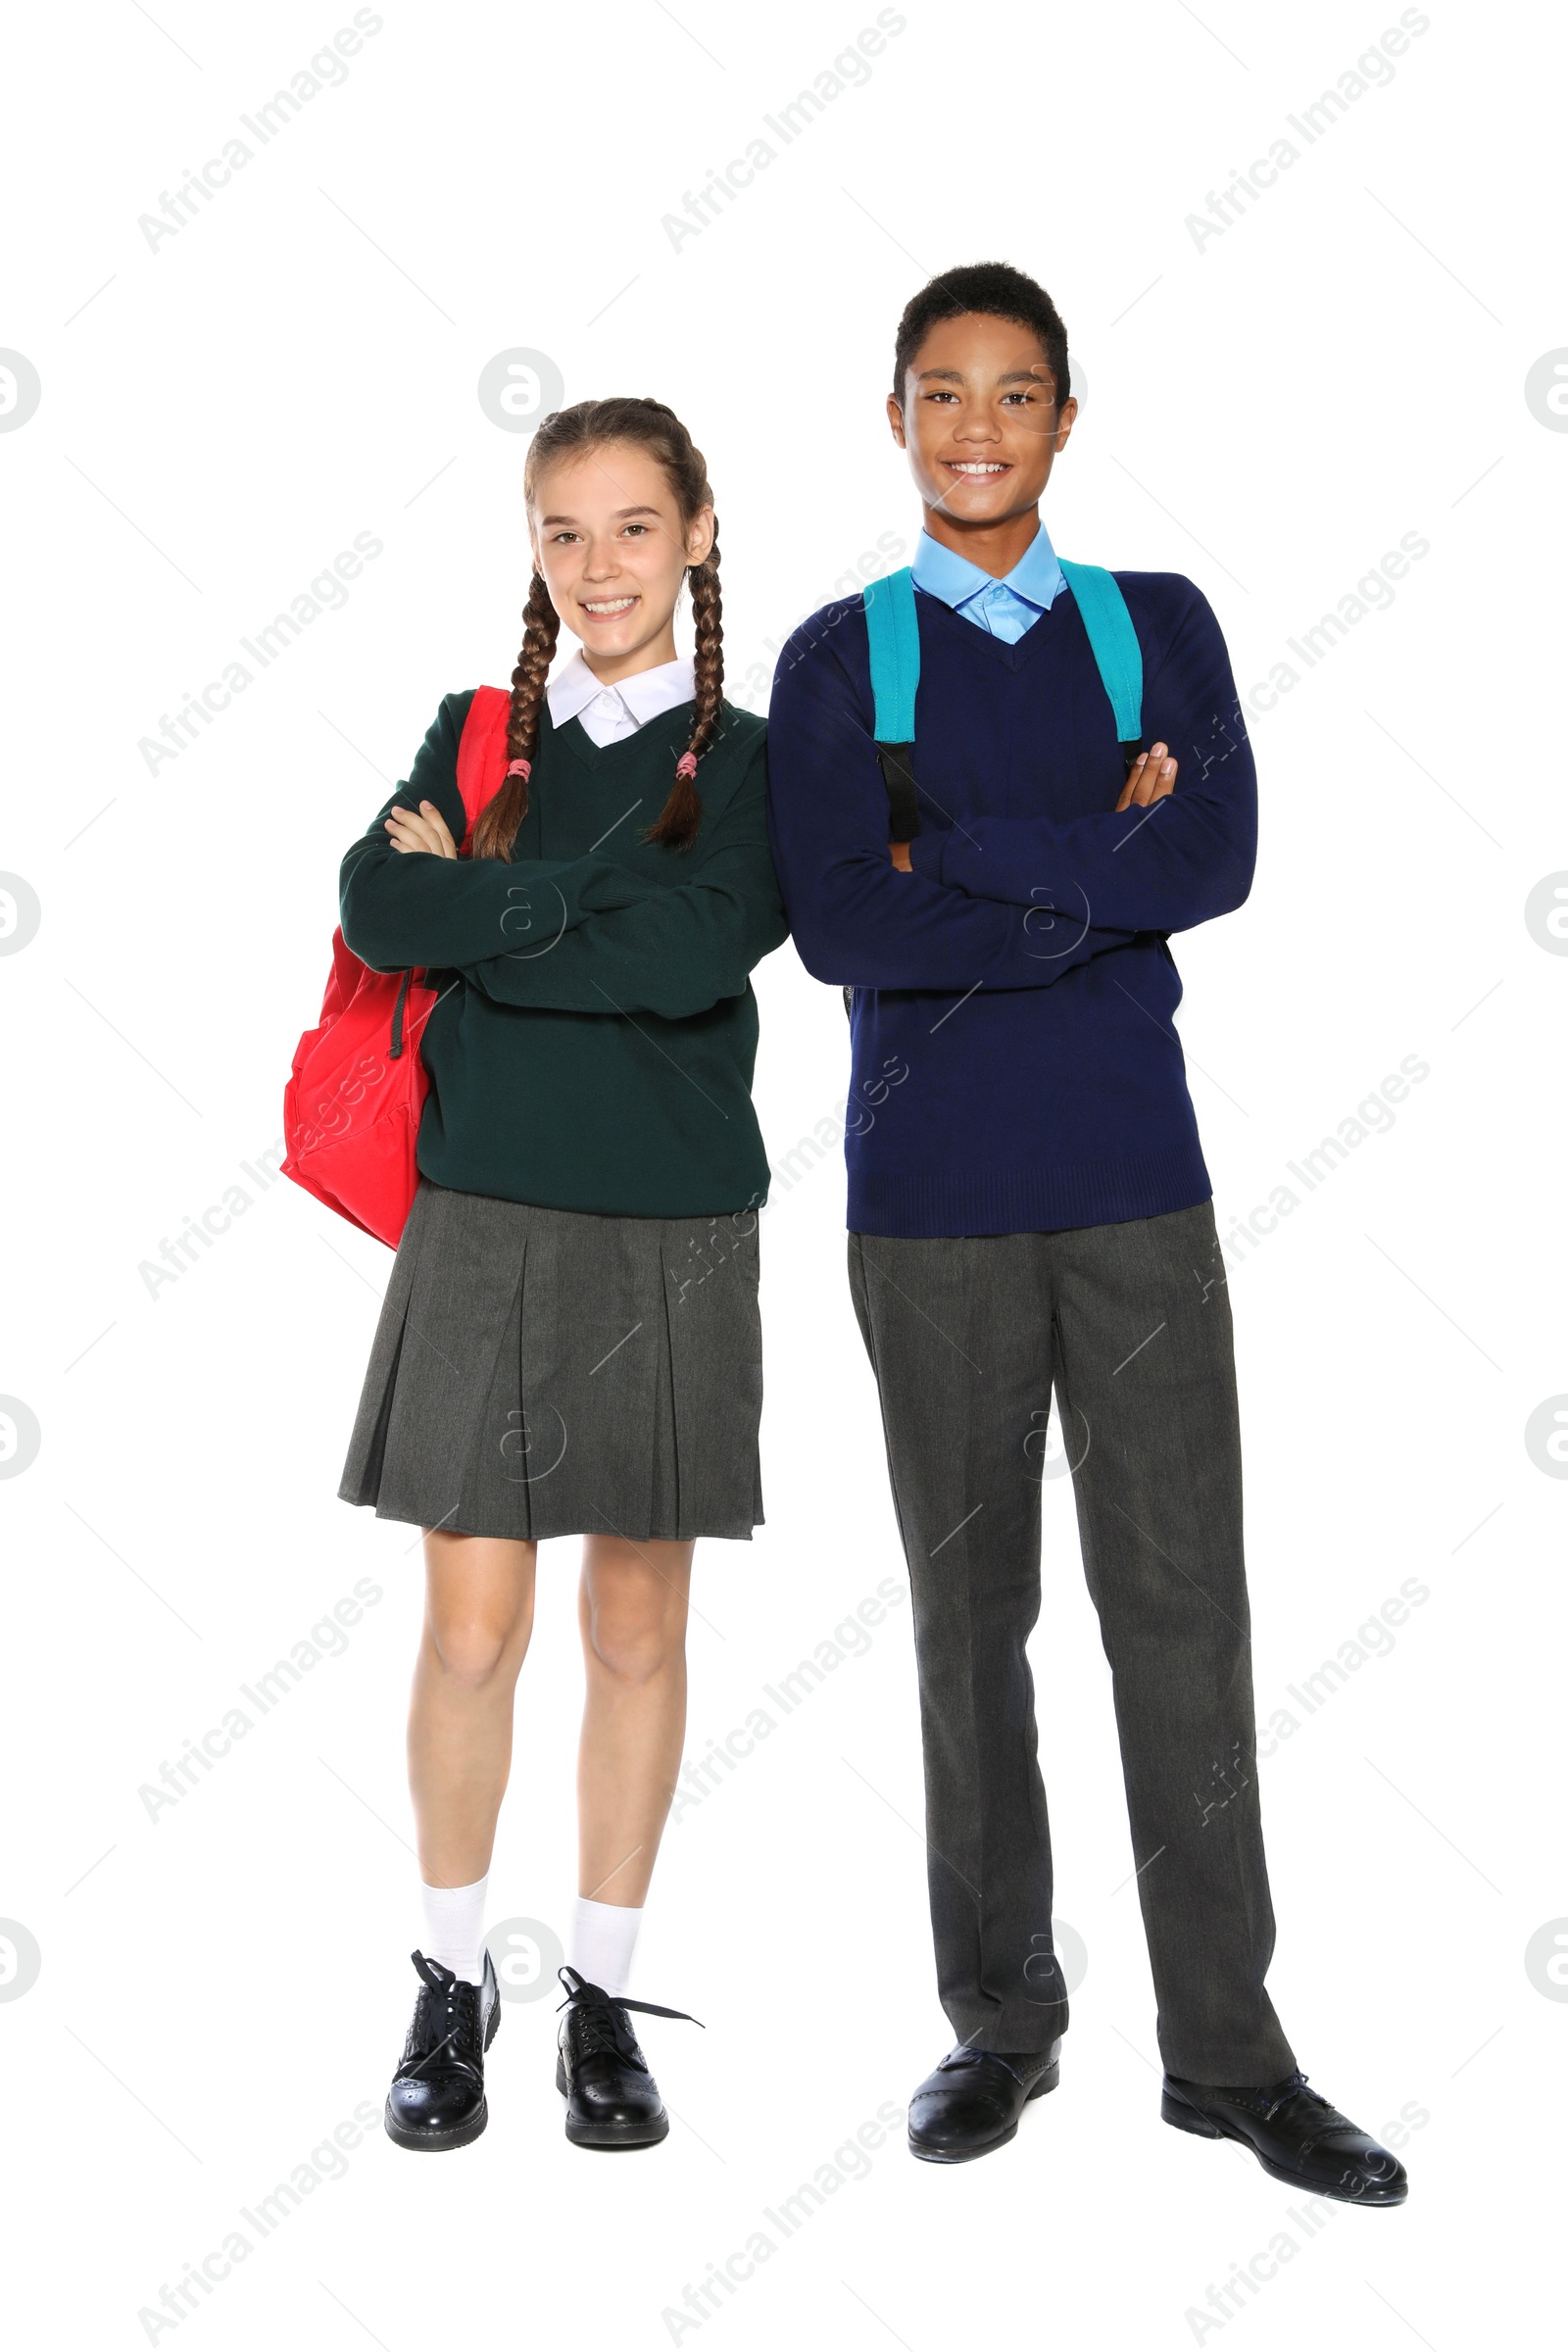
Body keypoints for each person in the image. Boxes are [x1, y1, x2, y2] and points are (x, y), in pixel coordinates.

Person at [764, 263, 1407, 2202]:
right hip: (930, 1209)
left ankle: (1225, 2054)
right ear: (893, 418)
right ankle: (995, 2022)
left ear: (1061, 418)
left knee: (1182, 1619)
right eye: (939, 394)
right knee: (971, 1625)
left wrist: (949, 842)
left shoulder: (1156, 629)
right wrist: (1084, 869)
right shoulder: (829, 658)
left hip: (1136, 1189)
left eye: (1013, 393)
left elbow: (1206, 858)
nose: (975, 427)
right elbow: (838, 928)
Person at [335, 396, 786, 2153]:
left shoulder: (749, 762)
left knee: (636, 1625)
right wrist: (563, 921)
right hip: (482, 1214)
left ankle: (603, 1997)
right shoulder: (469, 736)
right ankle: (452, 1983)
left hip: (673, 1225)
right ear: (535, 550)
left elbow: (701, 955)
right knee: (471, 1634)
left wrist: (499, 914)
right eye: (563, 533)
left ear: (692, 537)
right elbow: (378, 908)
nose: (597, 566)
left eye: (630, 527)